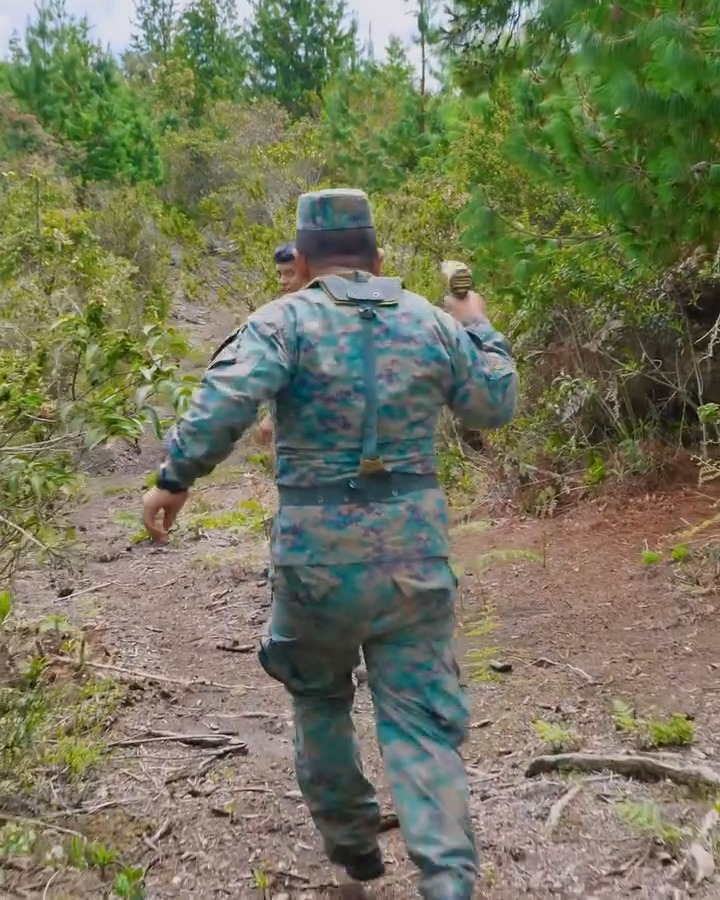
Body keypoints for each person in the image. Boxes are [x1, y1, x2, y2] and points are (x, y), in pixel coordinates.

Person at [142, 188, 518, 900]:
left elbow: (223, 402)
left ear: (305, 258)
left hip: (315, 555)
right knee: (421, 719)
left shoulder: (282, 321)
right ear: (376, 258)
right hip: (414, 553)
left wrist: (175, 478)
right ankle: (448, 880)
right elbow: (493, 404)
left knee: (318, 698)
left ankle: (351, 846)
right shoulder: (432, 322)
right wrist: (480, 326)